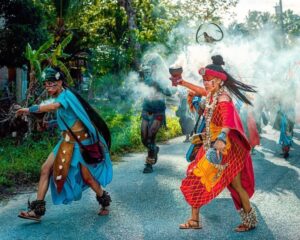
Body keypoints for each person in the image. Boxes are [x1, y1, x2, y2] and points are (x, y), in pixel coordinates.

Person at [170, 55, 258, 232]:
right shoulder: (212, 93)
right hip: (210, 146)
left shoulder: (223, 98)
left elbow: (228, 122)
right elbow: (201, 91)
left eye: (207, 80)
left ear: (218, 80)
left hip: (225, 149)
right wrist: (182, 82)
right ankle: (194, 220)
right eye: (204, 80)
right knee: (195, 176)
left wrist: (221, 138)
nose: (205, 83)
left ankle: (249, 220)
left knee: (236, 185)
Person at [16, 67, 113, 221]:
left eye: (51, 83)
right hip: (66, 142)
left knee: (88, 178)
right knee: (45, 169)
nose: (48, 87)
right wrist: (51, 123)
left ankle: (104, 201)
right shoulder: (60, 96)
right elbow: (69, 119)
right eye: (46, 84)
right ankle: (37, 211)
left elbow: (54, 107)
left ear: (60, 82)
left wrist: (29, 109)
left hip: (81, 143)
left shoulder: (66, 96)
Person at [139, 62, 173, 174]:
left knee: (150, 138)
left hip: (158, 111)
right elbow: (139, 90)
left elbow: (169, 92)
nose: (151, 70)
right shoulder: (144, 78)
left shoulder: (161, 79)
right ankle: (154, 149)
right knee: (144, 138)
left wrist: (161, 87)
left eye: (153, 67)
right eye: (149, 68)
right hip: (146, 110)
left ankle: (149, 164)